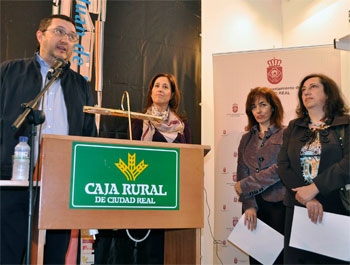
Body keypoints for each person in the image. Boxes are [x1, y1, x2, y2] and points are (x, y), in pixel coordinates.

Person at [0, 14, 97, 264]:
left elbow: (88, 136)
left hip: (61, 187)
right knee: (7, 253)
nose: (66, 39)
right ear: (40, 35)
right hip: (14, 182)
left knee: (54, 256)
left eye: (72, 36)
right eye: (59, 32)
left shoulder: (81, 86)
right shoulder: (9, 72)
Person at [94, 73, 191, 264]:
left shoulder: (182, 125)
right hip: (147, 190)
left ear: (172, 94)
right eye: (156, 86)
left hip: (172, 191)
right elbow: (132, 155)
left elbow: (187, 158)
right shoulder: (138, 121)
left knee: (165, 246)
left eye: (165, 86)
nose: (160, 89)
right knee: (146, 247)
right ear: (151, 92)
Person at [277, 73, 349, 264]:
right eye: (303, 89)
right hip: (299, 207)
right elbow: (283, 165)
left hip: (335, 207)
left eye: (314, 87)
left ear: (328, 94)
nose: (307, 92)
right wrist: (307, 198)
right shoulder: (294, 127)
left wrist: (315, 188)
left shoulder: (346, 124)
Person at [234, 87, 286, 265]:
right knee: (256, 259)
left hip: (279, 205)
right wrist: (249, 205)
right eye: (254, 106)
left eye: (263, 105)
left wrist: (247, 185)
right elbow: (242, 171)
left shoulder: (286, 133)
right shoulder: (246, 138)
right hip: (254, 206)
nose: (258, 110)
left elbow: (281, 169)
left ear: (273, 107)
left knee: (278, 259)